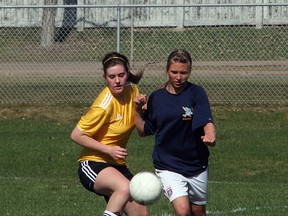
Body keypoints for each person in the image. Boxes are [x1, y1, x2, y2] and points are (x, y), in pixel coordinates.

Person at [134, 49, 216, 216]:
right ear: (167, 71)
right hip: (167, 164)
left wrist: (210, 134)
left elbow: (206, 120)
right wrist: (136, 109)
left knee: (198, 211)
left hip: (196, 163)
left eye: (183, 73)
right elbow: (144, 130)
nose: (178, 77)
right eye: (174, 72)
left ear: (190, 72)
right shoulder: (157, 98)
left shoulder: (197, 93)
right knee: (183, 211)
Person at [71, 51, 149, 216]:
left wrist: (141, 110)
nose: (117, 80)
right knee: (125, 188)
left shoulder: (133, 91)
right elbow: (76, 135)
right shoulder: (103, 105)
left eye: (121, 75)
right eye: (112, 77)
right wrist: (108, 150)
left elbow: (141, 129)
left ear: (127, 74)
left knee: (141, 212)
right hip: (93, 163)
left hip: (117, 164)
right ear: (105, 78)